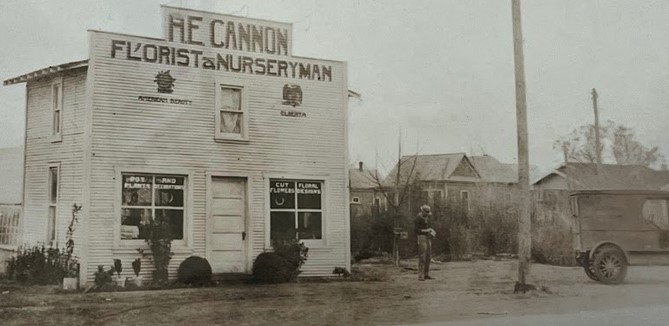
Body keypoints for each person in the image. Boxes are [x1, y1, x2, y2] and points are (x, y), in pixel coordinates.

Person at [414, 204, 436, 281]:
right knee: (422, 256)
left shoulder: (427, 218)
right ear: (422, 211)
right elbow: (416, 230)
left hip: (428, 237)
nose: (427, 215)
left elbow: (430, 227)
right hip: (421, 237)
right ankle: (421, 275)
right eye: (426, 213)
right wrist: (427, 230)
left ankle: (426, 273)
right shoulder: (418, 219)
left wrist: (432, 231)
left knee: (428, 256)